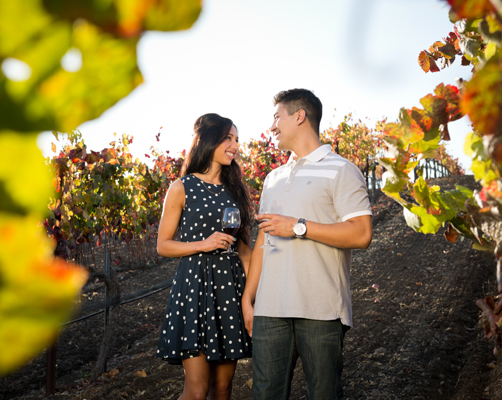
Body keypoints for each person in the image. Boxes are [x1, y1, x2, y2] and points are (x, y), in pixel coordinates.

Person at [241, 89, 373, 400]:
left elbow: (361, 234)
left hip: (321, 309)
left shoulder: (341, 170)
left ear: (299, 116)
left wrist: (298, 227)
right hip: (270, 311)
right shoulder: (272, 177)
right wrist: (249, 297)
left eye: (277, 117)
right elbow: (264, 239)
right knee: (265, 395)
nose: (273, 126)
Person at [156, 113, 253, 400]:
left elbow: (245, 251)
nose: (235, 145)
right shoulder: (182, 187)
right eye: (228, 138)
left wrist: (251, 299)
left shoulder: (235, 191)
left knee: (222, 389)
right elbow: (163, 245)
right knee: (196, 390)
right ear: (209, 141)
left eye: (237, 139)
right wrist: (203, 244)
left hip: (229, 292)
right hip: (195, 290)